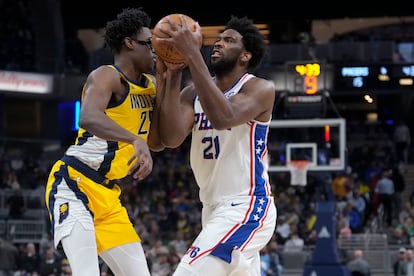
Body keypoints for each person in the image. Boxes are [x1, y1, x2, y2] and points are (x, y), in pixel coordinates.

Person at [44, 7, 166, 276]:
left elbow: (159, 140)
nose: (154, 51)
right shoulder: (106, 75)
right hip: (74, 183)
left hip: (109, 197)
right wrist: (135, 140)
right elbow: (87, 116)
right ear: (130, 43)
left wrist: (174, 74)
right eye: (150, 44)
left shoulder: (152, 85)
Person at [155, 15, 277, 275]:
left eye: (229, 41)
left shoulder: (259, 89)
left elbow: (224, 118)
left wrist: (191, 55)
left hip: (246, 206)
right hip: (211, 209)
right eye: (218, 39)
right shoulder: (193, 93)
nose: (218, 44)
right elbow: (170, 138)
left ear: (245, 56)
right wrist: (175, 73)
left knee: (188, 272)